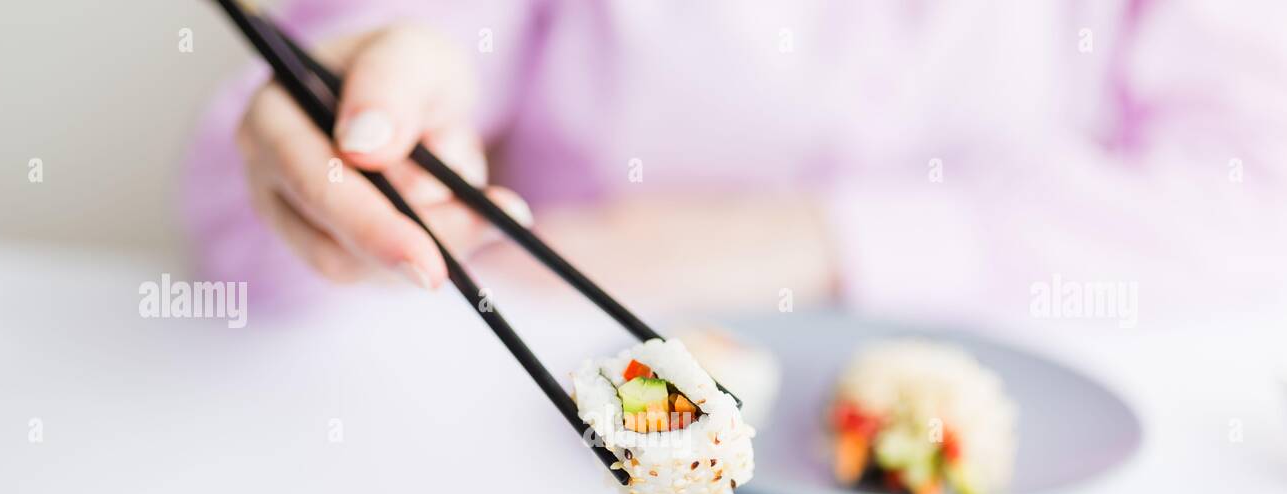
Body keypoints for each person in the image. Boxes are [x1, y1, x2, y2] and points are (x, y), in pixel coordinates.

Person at [185, 1, 1287, 319]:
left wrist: (813, 237)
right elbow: (244, 246)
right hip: (539, 426)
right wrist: (351, 110)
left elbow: (1250, 197)